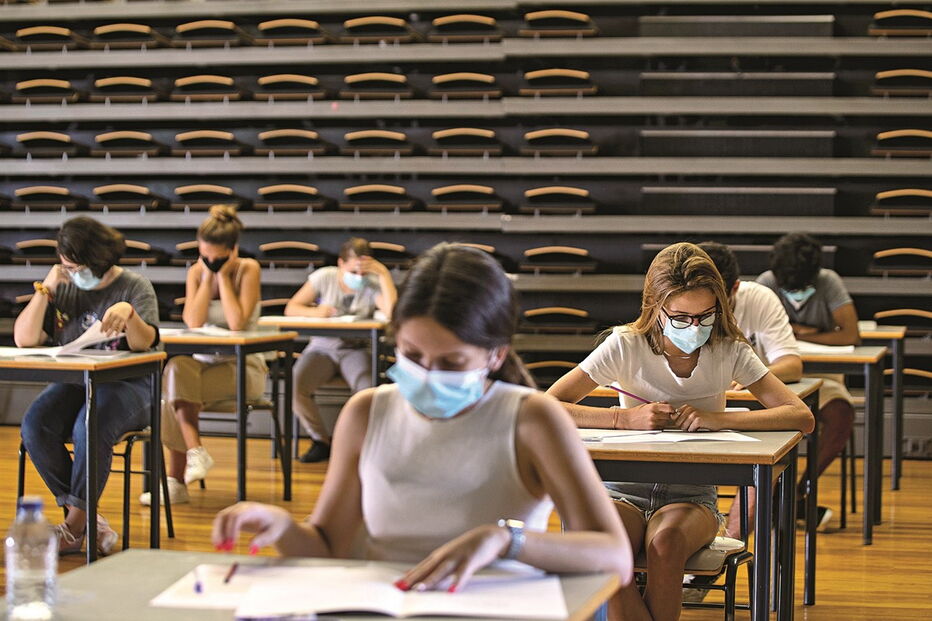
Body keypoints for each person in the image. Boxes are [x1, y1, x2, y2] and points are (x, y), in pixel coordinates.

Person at [213, 243, 633, 593]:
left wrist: (506, 539)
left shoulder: (531, 419)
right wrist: (281, 526)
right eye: (412, 356)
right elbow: (327, 546)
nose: (428, 374)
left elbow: (614, 557)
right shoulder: (365, 412)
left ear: (495, 354)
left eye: (451, 363)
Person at [546, 242, 813, 621]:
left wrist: (719, 418)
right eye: (682, 317)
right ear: (656, 308)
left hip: (692, 498)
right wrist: (624, 419)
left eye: (705, 316)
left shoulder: (729, 349)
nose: (695, 328)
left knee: (667, 544)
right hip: (623, 491)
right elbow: (545, 407)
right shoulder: (626, 344)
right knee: (606, 547)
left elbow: (800, 415)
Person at [14, 216, 160, 555]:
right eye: (66, 265)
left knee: (89, 425)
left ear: (97, 260)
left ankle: (74, 527)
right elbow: (24, 339)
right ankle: (89, 524)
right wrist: (45, 290)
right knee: (35, 425)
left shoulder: (134, 287)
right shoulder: (63, 287)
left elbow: (146, 344)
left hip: (130, 387)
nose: (73, 272)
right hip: (76, 381)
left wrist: (130, 314)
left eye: (77, 266)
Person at [141, 205, 265, 506]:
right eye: (205, 255)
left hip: (244, 368)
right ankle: (195, 455)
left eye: (217, 257)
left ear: (233, 250)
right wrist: (207, 279)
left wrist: (222, 277)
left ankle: (176, 481)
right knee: (175, 371)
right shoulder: (197, 272)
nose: (210, 261)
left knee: (173, 392)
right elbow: (193, 322)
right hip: (203, 366)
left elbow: (237, 323)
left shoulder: (248, 269)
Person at [757, 232, 860, 527]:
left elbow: (850, 334)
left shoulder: (829, 281)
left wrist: (800, 332)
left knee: (841, 414)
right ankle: (769, 497)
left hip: (821, 375)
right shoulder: (765, 284)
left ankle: (799, 492)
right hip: (777, 373)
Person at [286, 237, 396, 463]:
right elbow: (292, 308)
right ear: (340, 263)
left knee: (367, 390)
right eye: (353, 270)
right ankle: (320, 440)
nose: (358, 277)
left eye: (363, 272)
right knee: (295, 385)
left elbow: (394, 314)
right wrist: (318, 312)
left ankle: (358, 445)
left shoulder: (373, 282)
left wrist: (383, 275)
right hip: (321, 349)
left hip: (355, 350)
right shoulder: (324, 277)